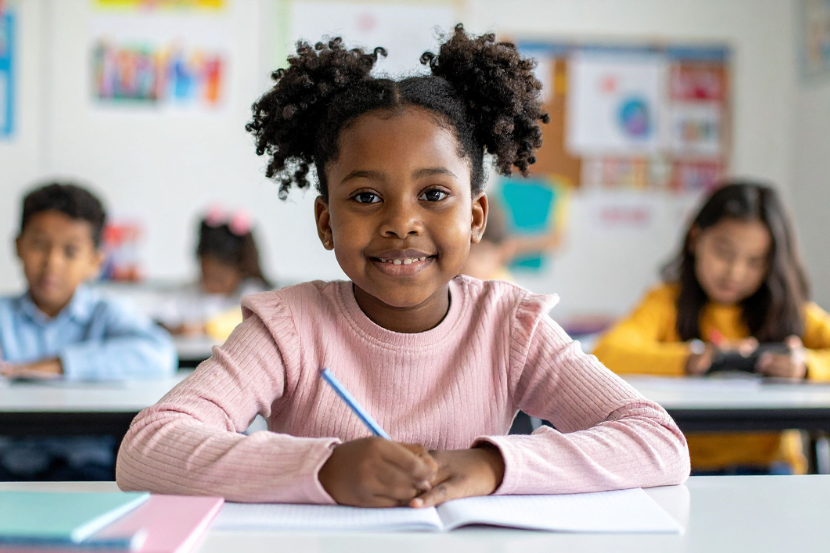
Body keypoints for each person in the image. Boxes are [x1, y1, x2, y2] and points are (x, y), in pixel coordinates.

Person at [117, 25, 689, 506]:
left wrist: (491, 466)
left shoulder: (512, 326)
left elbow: (658, 442)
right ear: (325, 221)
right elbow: (148, 448)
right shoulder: (287, 327)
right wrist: (324, 469)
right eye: (366, 197)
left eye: (434, 195)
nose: (401, 223)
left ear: (476, 217)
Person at [593, 181, 830, 474]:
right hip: (686, 466)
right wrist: (692, 358)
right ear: (695, 239)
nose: (735, 272)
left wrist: (805, 366)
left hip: (770, 466)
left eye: (754, 261)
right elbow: (607, 353)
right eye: (724, 253)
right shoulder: (667, 302)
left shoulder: (787, 310)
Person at [0, 182, 176, 480]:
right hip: (11, 463)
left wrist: (54, 366)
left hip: (86, 463)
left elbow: (158, 354)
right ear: (17, 246)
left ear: (95, 262)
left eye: (70, 251)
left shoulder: (106, 312)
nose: (51, 263)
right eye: (39, 245)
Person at [154, 207, 271, 340]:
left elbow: (250, 320)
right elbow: (160, 318)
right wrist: (176, 329)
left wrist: (204, 328)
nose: (211, 283)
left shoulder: (251, 293)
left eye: (219, 278)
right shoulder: (189, 294)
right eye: (205, 275)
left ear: (241, 270)